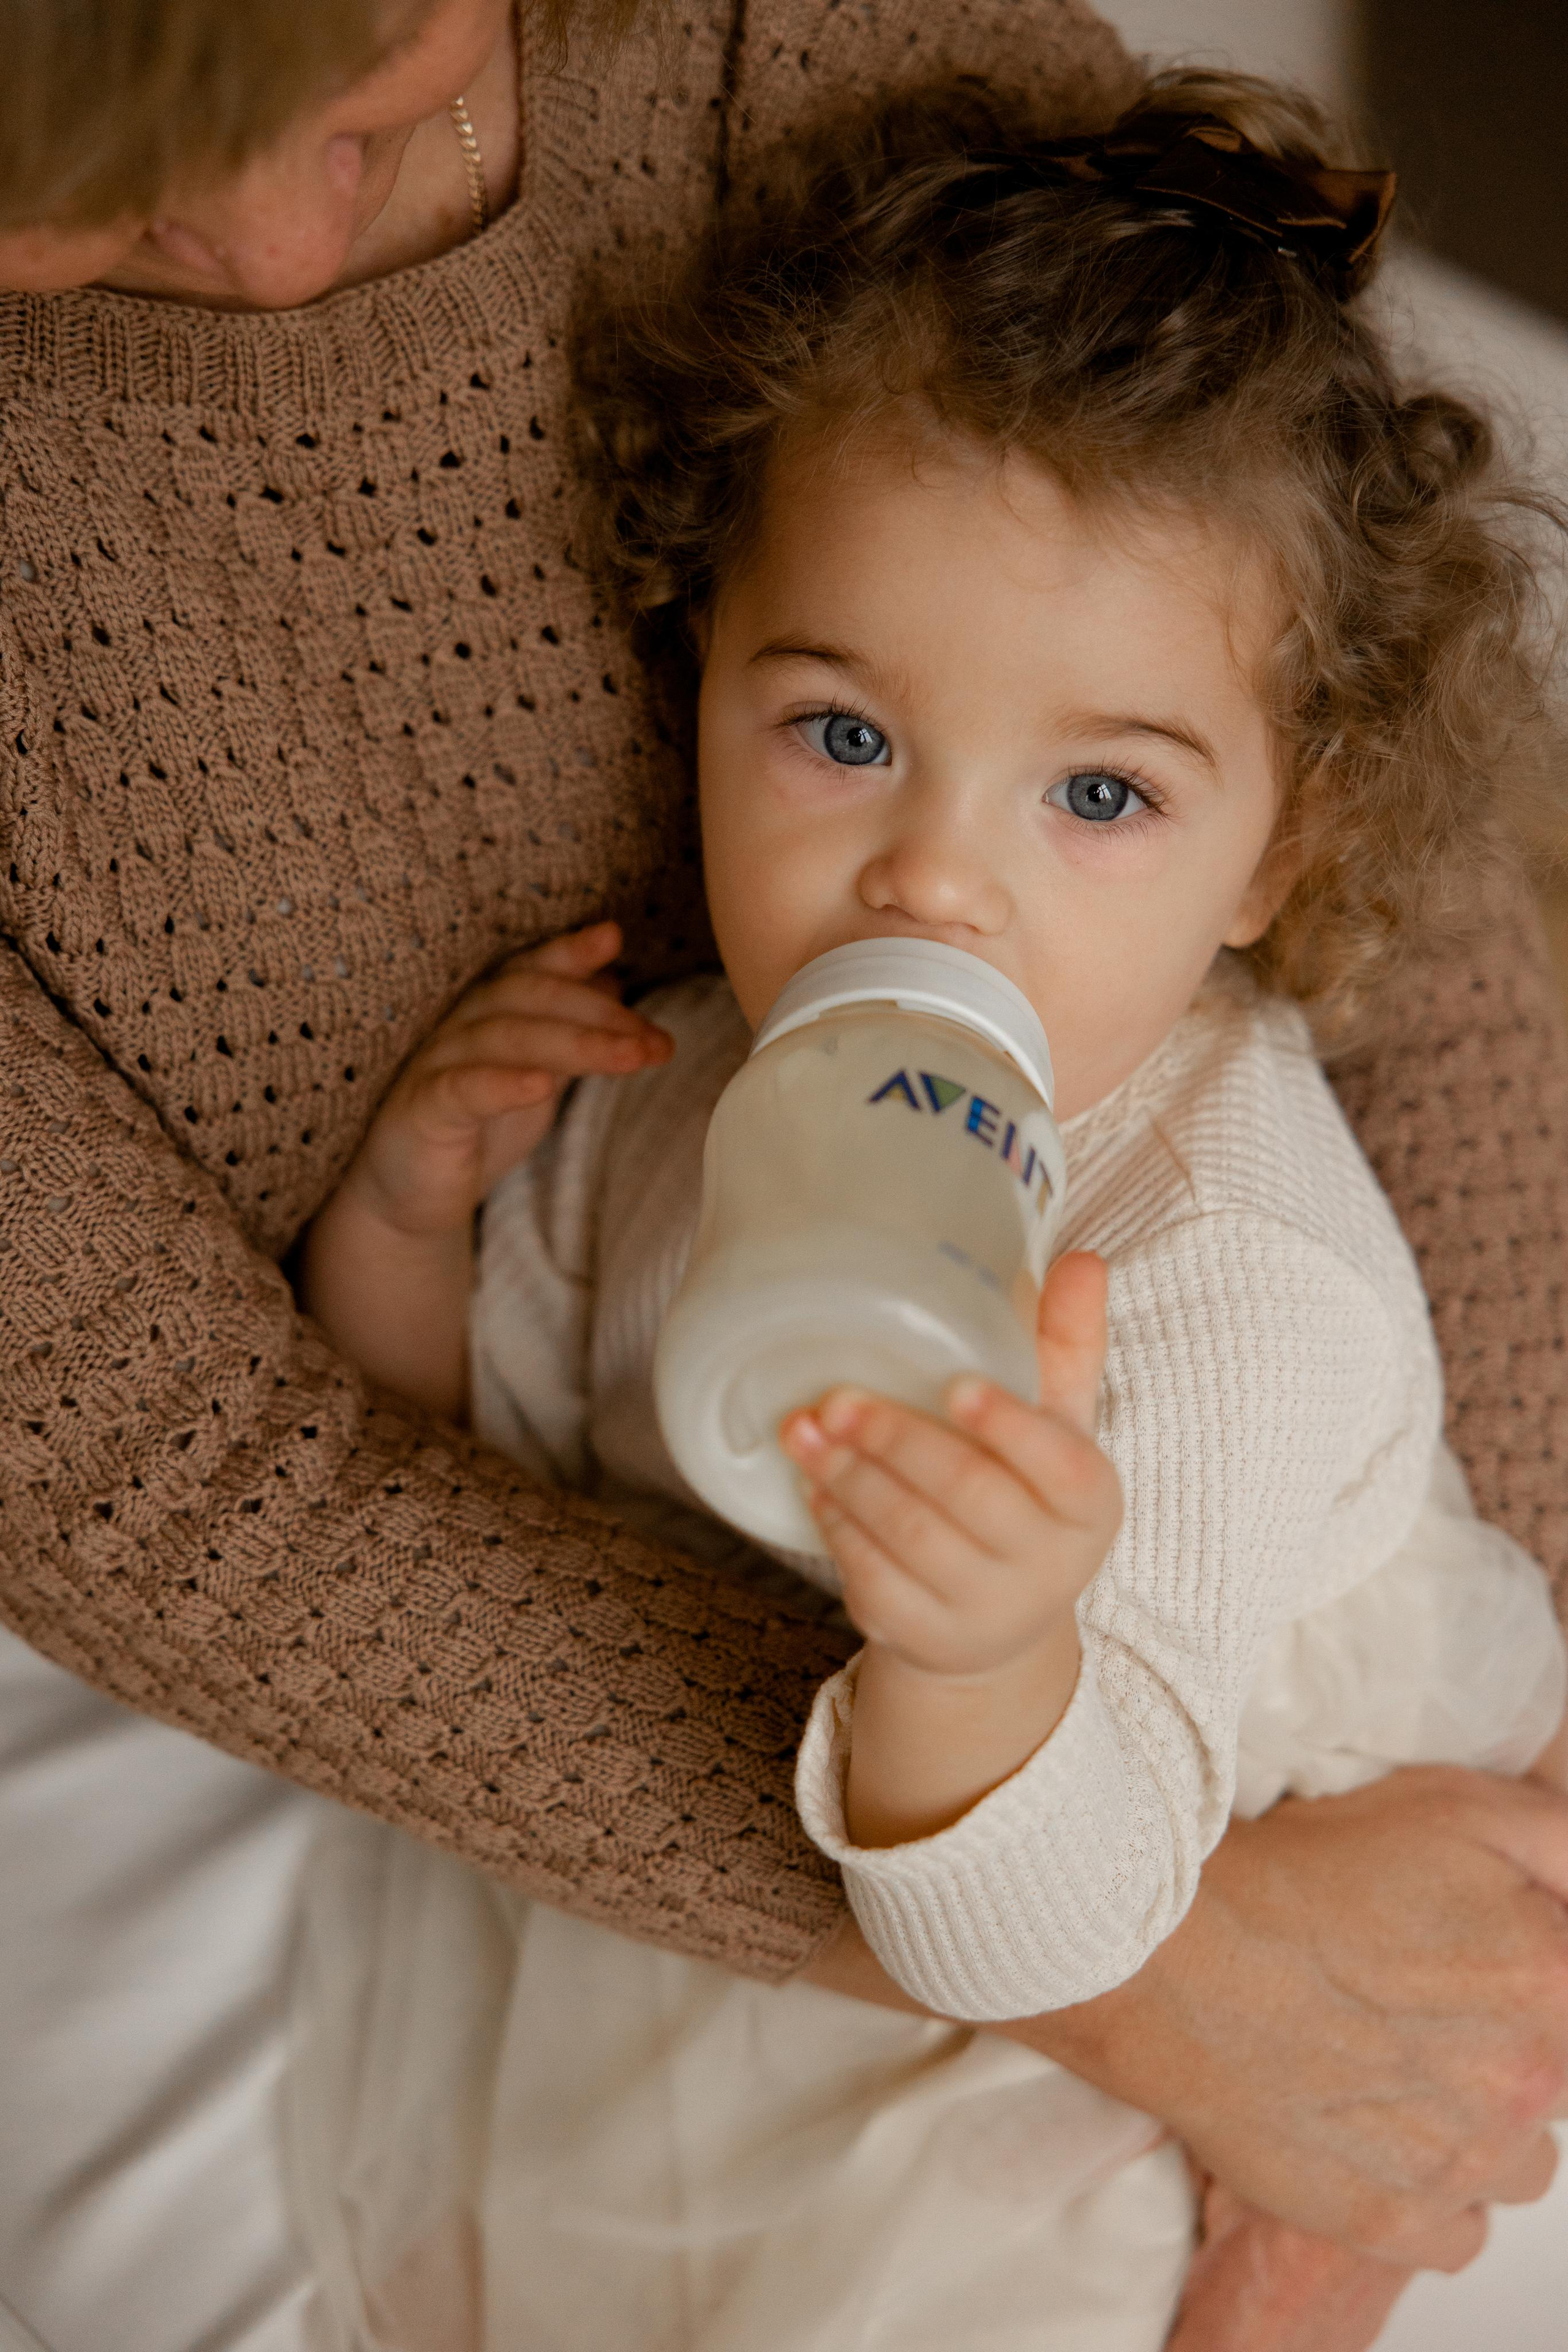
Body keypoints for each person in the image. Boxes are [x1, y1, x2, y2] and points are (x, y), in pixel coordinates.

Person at [0, 3, 1566, 2348]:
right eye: (840, 735)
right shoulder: (683, 1082)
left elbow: (1079, 1921)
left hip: (1112, 1909)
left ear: (1290, 846)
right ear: (694, 660)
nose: (934, 882)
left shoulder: (1226, 1282)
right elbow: (444, 1437)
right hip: (717, 1946)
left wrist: (982, 1662)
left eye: (1102, 799)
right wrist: (410, 1222)